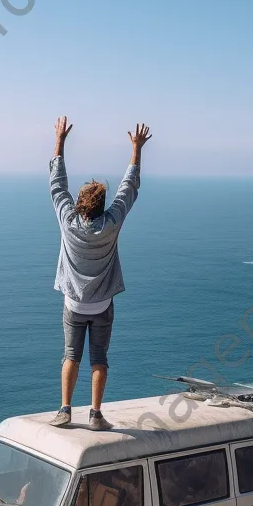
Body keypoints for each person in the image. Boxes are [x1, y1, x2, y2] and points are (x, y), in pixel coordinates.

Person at [48, 116, 151, 429]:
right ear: (102, 205)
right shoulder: (111, 223)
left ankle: (65, 410)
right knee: (99, 360)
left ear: (79, 203)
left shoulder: (67, 220)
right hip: (102, 305)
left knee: (70, 356)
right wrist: (136, 149)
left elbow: (56, 184)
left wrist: (60, 140)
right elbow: (128, 188)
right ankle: (95, 415)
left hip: (73, 304)